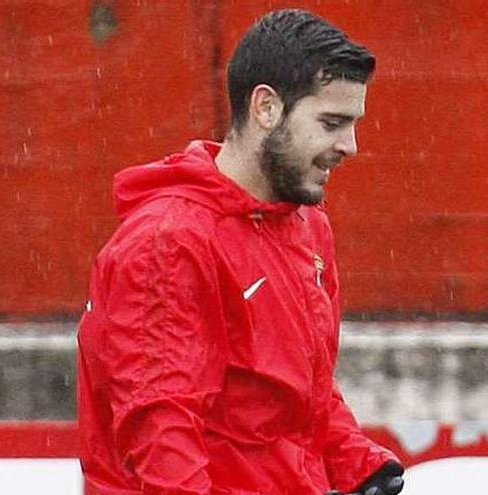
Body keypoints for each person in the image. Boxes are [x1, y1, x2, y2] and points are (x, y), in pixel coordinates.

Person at [76, 9, 405, 495]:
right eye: (332, 122)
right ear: (266, 108)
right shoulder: (169, 241)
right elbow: (162, 439)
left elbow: (298, 399)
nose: (350, 145)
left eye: (352, 123)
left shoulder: (304, 224)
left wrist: (356, 463)